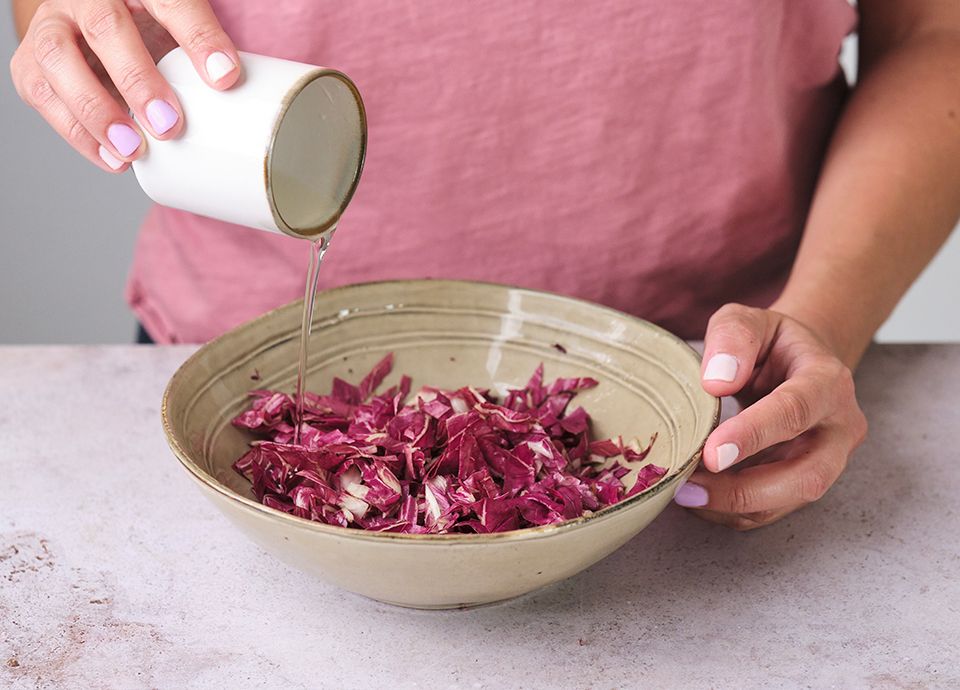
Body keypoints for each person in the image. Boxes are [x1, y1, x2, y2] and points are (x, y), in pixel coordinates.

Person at [9, 1, 960, 530]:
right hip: (245, 385)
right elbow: (62, 15)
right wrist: (72, 29)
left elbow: (932, 34)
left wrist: (827, 312)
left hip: (718, 396)